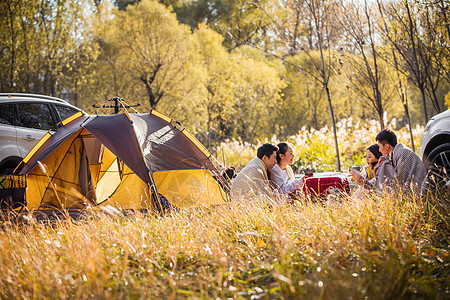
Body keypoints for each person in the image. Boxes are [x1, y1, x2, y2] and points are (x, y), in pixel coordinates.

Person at [375, 129, 427, 195]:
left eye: (379, 146)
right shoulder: (395, 153)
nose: (379, 150)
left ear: (387, 146)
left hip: (419, 192)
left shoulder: (403, 153)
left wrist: (386, 162)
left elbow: (399, 180)